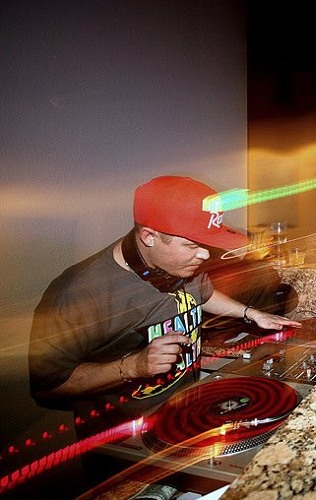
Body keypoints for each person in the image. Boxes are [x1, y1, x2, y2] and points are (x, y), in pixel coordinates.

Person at [29, 175, 301, 484]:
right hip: (128, 450)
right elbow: (49, 385)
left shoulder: (179, 263)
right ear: (149, 237)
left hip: (189, 419)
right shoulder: (79, 293)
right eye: (192, 245)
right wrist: (133, 366)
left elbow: (203, 293)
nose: (204, 255)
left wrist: (251, 313)